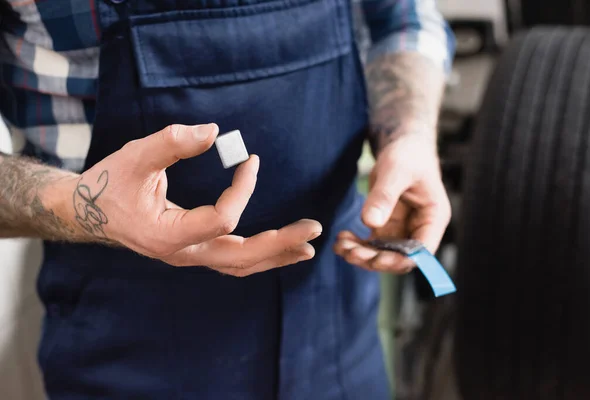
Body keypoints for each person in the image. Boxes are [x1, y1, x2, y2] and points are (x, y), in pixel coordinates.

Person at [0, 0, 454, 398]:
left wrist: (410, 133)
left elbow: (402, 17)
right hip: (129, 346)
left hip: (338, 329)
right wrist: (83, 205)